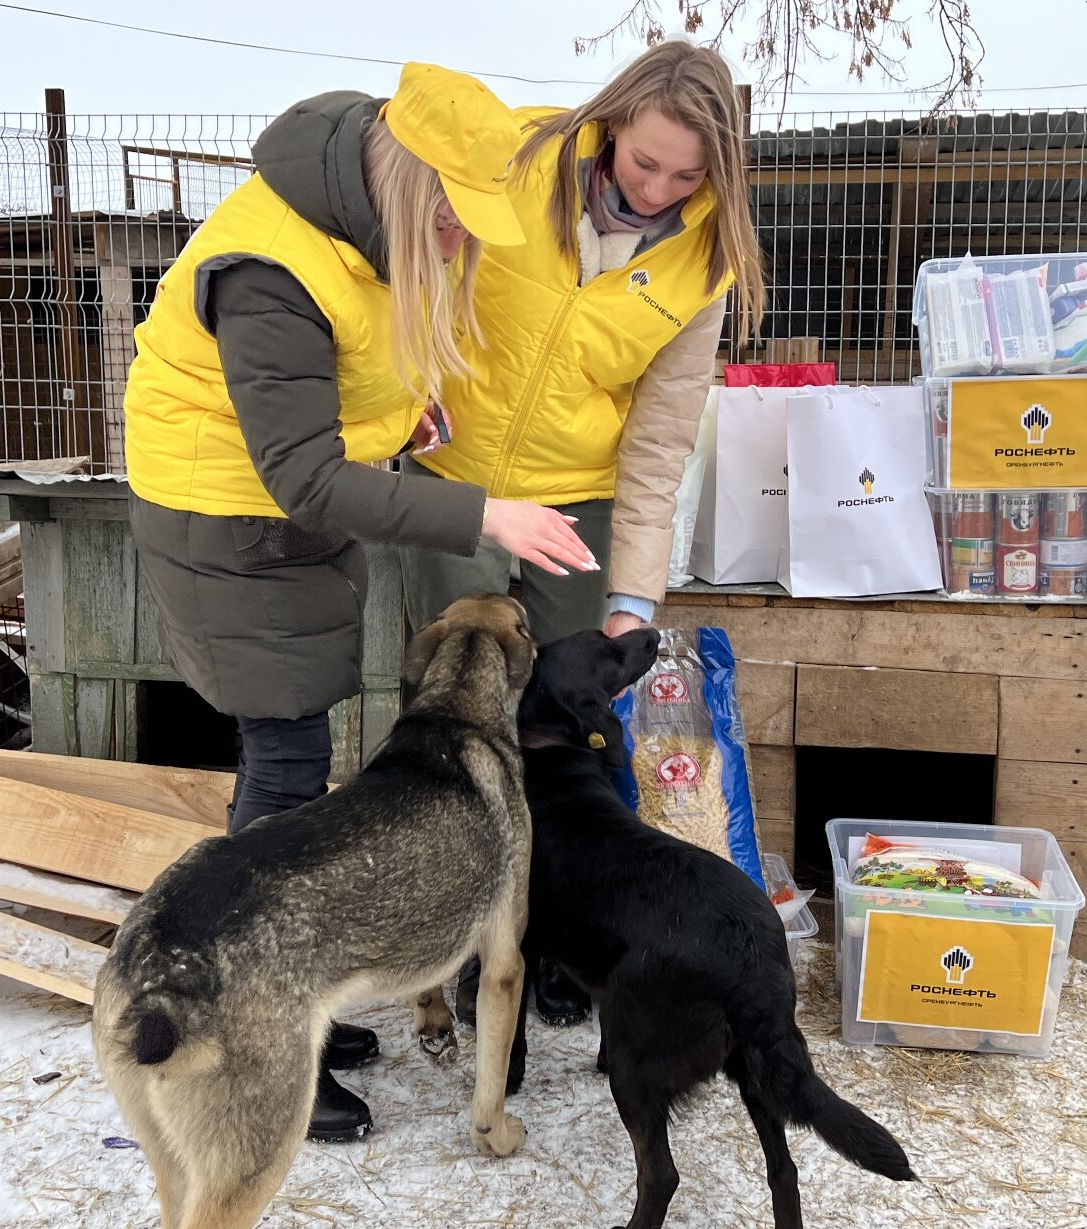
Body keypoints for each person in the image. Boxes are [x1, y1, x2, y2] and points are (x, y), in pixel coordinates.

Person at [120, 62, 594, 1144]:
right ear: (410, 187)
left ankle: (306, 1012)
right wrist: (486, 514)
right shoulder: (270, 268)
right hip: (228, 524)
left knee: (298, 758)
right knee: (285, 764)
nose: (459, 246)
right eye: (453, 224)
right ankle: (249, 1027)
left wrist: (400, 427)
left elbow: (338, 395)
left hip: (280, 522)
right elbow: (303, 474)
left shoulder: (363, 231)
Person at [404, 42, 766, 1026]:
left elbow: (657, 446)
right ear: (613, 125)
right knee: (450, 716)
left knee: (578, 723)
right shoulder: (520, 162)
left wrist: (630, 600)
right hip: (452, 478)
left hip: (578, 497)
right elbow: (416, 273)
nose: (658, 190)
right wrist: (408, 401)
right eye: (646, 162)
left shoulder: (704, 259)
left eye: (690, 176)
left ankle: (569, 940)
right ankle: (448, 956)